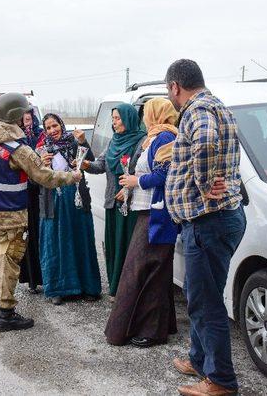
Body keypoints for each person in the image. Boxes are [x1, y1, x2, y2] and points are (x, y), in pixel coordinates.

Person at [164, 59, 246, 396]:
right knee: (201, 294)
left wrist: (203, 182)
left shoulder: (197, 110)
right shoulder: (217, 105)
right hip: (219, 220)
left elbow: (208, 143)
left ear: (175, 87)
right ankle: (199, 360)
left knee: (205, 303)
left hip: (207, 222)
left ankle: (221, 380)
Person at [0, 93, 81, 332]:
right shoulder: (17, 148)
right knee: (9, 262)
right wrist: (71, 177)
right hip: (9, 215)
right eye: (22, 113)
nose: (25, 117)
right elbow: (45, 176)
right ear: (14, 116)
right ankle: (6, 313)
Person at [104, 97, 179, 347]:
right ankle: (155, 327)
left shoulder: (165, 137)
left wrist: (138, 182)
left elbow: (167, 174)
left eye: (148, 112)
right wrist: (131, 184)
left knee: (144, 270)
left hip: (157, 213)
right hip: (147, 209)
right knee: (153, 270)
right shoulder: (154, 137)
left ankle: (151, 330)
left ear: (157, 115)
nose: (145, 117)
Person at [36, 113, 101, 305]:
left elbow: (90, 161)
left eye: (55, 126)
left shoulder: (74, 144)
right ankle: (57, 289)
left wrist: (83, 141)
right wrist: (43, 166)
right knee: (55, 242)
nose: (52, 130)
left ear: (61, 126)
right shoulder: (40, 151)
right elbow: (35, 179)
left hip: (76, 198)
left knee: (80, 238)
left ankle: (87, 287)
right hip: (52, 201)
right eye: (48, 128)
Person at [82, 103, 146, 298]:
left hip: (131, 204)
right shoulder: (113, 142)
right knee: (113, 248)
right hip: (112, 201)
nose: (114, 123)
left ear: (128, 119)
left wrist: (128, 188)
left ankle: (129, 292)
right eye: (113, 119)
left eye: (118, 119)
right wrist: (86, 164)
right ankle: (116, 288)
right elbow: (101, 164)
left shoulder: (141, 142)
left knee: (128, 248)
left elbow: (142, 172)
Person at [18, 108, 45, 293]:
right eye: (23, 117)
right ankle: (32, 279)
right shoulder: (17, 138)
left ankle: (46, 276)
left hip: (41, 191)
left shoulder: (42, 135)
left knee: (43, 233)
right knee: (27, 235)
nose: (26, 119)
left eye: (29, 116)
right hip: (24, 192)